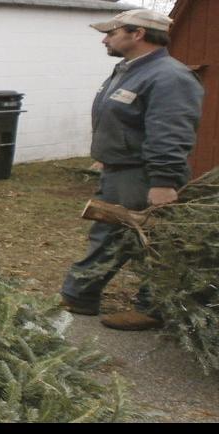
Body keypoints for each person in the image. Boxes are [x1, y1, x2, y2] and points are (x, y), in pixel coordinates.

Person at [60, 8, 204, 331]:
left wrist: (163, 181)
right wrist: (107, 155)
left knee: (150, 240)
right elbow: (124, 120)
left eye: (111, 33)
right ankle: (79, 296)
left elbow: (170, 132)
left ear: (137, 34)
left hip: (145, 175)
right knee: (110, 234)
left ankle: (152, 308)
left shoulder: (170, 77)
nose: (105, 40)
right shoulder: (129, 70)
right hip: (121, 171)